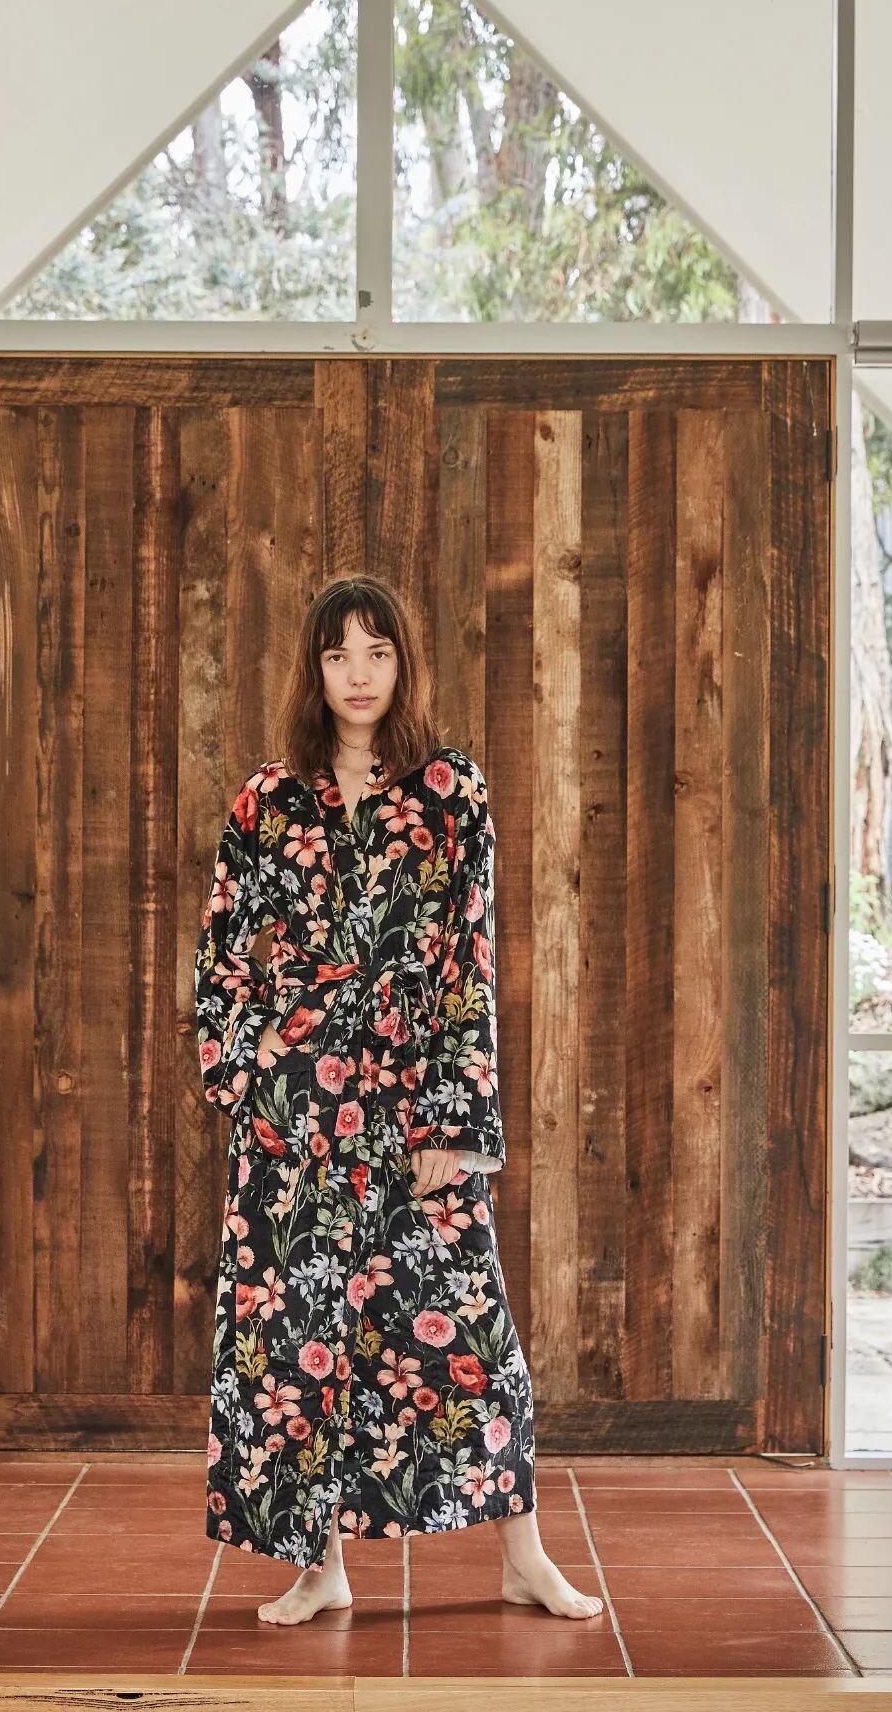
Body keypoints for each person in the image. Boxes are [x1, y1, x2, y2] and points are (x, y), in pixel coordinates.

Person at [194, 574, 602, 1628]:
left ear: (403, 663)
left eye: (377, 653)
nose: (359, 675)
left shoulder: (450, 792)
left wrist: (457, 1129)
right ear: (314, 668)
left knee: (469, 1334)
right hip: (294, 1119)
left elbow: (468, 963)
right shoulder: (266, 799)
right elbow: (224, 953)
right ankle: (319, 1565)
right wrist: (244, 1079)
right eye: (339, 656)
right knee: (295, 1343)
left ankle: (523, 1556)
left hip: (414, 1108)